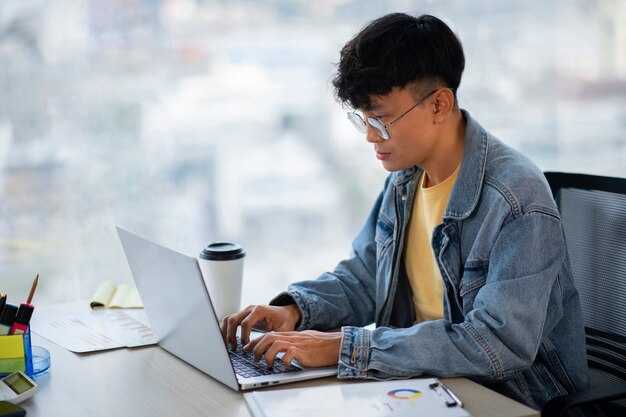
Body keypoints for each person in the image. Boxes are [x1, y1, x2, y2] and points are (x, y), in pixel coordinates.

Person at [221, 12, 589, 412]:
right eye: (363, 119)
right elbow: (366, 277)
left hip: (512, 396)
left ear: (439, 104)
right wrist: (295, 309)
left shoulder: (517, 199)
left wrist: (346, 348)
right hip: (422, 384)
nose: (369, 135)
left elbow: (497, 345)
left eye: (381, 119)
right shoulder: (405, 181)